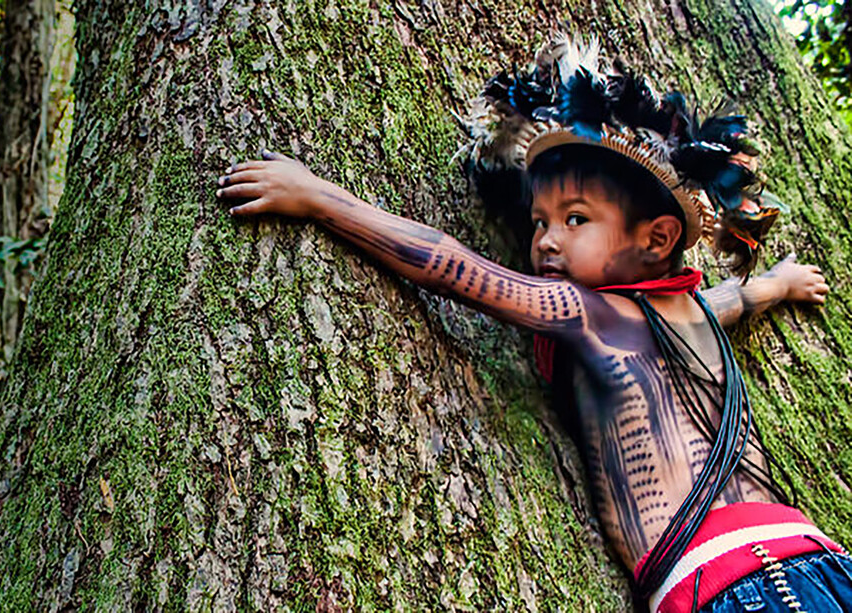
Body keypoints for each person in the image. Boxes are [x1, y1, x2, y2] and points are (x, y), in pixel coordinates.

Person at [215, 35, 847, 612]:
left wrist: (320, 197)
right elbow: (739, 299)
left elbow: (448, 265)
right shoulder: (696, 311)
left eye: (574, 220)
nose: (544, 241)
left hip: (738, 585)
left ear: (657, 239)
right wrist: (778, 285)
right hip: (815, 561)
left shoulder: (589, 311)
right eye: (539, 222)